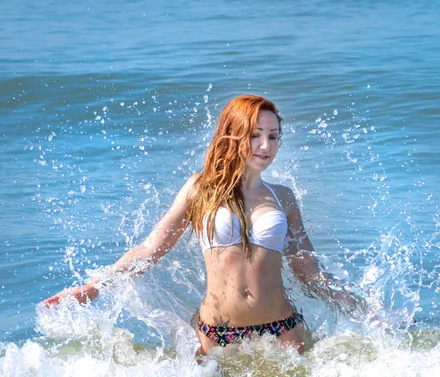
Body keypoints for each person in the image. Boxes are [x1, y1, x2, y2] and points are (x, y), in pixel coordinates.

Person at [42, 95, 365, 355]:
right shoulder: (200, 189)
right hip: (217, 333)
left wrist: (363, 307)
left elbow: (308, 271)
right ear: (234, 135)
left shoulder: (284, 197)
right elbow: (151, 249)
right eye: (254, 135)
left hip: (282, 329)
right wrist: (93, 287)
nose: (265, 146)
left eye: (273, 136)